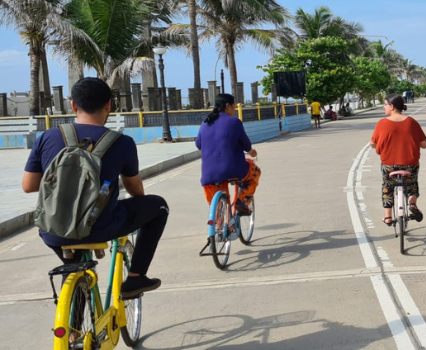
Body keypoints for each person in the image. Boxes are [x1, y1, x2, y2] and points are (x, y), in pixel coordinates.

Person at [22, 78, 167, 299]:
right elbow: (136, 191)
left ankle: (72, 331)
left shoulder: (48, 137)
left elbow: (29, 186)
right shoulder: (122, 142)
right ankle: (136, 277)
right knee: (159, 207)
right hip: (101, 227)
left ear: (73, 105)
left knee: (73, 262)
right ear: (109, 105)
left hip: (53, 230)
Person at [196, 94, 261, 216]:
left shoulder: (205, 122)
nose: (234, 110)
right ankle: (242, 202)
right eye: (234, 107)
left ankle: (218, 223)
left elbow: (198, 144)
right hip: (234, 170)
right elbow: (246, 145)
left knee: (218, 207)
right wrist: (251, 152)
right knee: (255, 172)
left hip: (208, 175)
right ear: (227, 106)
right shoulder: (234, 122)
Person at [370, 94, 426, 226]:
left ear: (391, 106)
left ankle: (388, 217)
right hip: (410, 164)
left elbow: (372, 144)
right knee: (412, 185)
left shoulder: (382, 123)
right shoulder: (412, 122)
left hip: (388, 165)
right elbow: (425, 144)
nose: (384, 107)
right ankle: (412, 204)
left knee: (387, 187)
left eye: (385, 105)